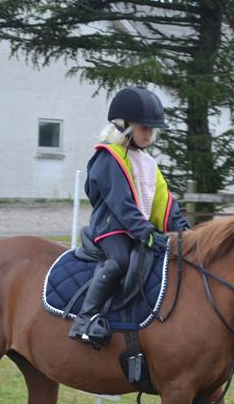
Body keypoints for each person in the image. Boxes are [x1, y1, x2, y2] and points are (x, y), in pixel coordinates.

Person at [68, 86, 192, 345]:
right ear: (123, 125)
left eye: (152, 129)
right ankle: (85, 318)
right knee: (119, 261)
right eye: (143, 127)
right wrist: (147, 233)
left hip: (138, 229)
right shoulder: (108, 157)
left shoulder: (147, 162)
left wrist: (187, 233)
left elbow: (163, 202)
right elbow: (121, 204)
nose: (149, 133)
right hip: (112, 229)